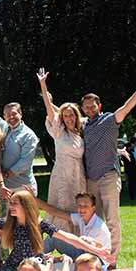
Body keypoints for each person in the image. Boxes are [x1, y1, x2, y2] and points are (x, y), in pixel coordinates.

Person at [80, 73, 136, 259]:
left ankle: (112, 258)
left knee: (112, 219)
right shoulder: (83, 126)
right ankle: (95, 256)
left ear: (99, 106)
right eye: (86, 106)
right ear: (82, 108)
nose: (89, 109)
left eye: (92, 105)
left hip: (108, 176)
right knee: (93, 220)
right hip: (91, 179)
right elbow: (63, 113)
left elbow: (125, 109)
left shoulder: (109, 120)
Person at [36, 69, 85, 231]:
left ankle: (78, 242)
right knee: (62, 208)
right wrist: (43, 85)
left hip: (78, 176)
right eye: (66, 116)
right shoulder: (59, 132)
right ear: (62, 119)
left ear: (76, 116)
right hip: (62, 175)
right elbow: (51, 111)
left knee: (78, 209)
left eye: (72, 115)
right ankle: (58, 240)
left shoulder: (80, 133)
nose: (69, 118)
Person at [35, 192, 112, 271]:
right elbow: (55, 212)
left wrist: (60, 261)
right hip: (82, 252)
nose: (82, 209)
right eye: (79, 205)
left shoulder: (98, 228)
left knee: (49, 269)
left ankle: (35, 266)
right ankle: (35, 258)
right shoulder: (81, 218)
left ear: (93, 208)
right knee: (54, 238)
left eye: (85, 206)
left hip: (94, 262)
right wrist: (33, 199)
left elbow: (90, 256)